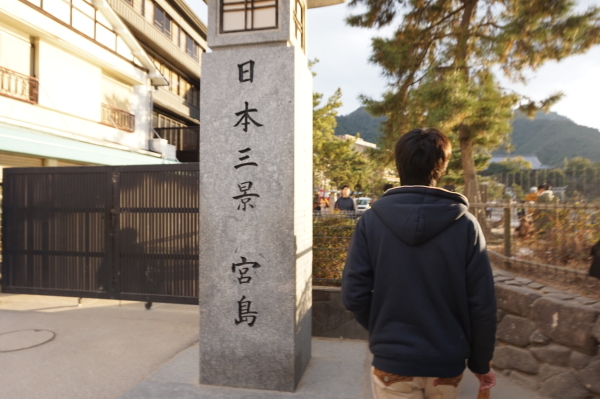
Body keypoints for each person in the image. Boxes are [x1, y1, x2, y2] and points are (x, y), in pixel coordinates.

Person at [342, 128, 497, 399]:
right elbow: (482, 305)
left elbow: (353, 295)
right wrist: (481, 363)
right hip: (446, 363)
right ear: (442, 167)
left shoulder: (371, 221)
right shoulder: (465, 225)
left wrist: (385, 328)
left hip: (392, 363)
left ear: (399, 164)